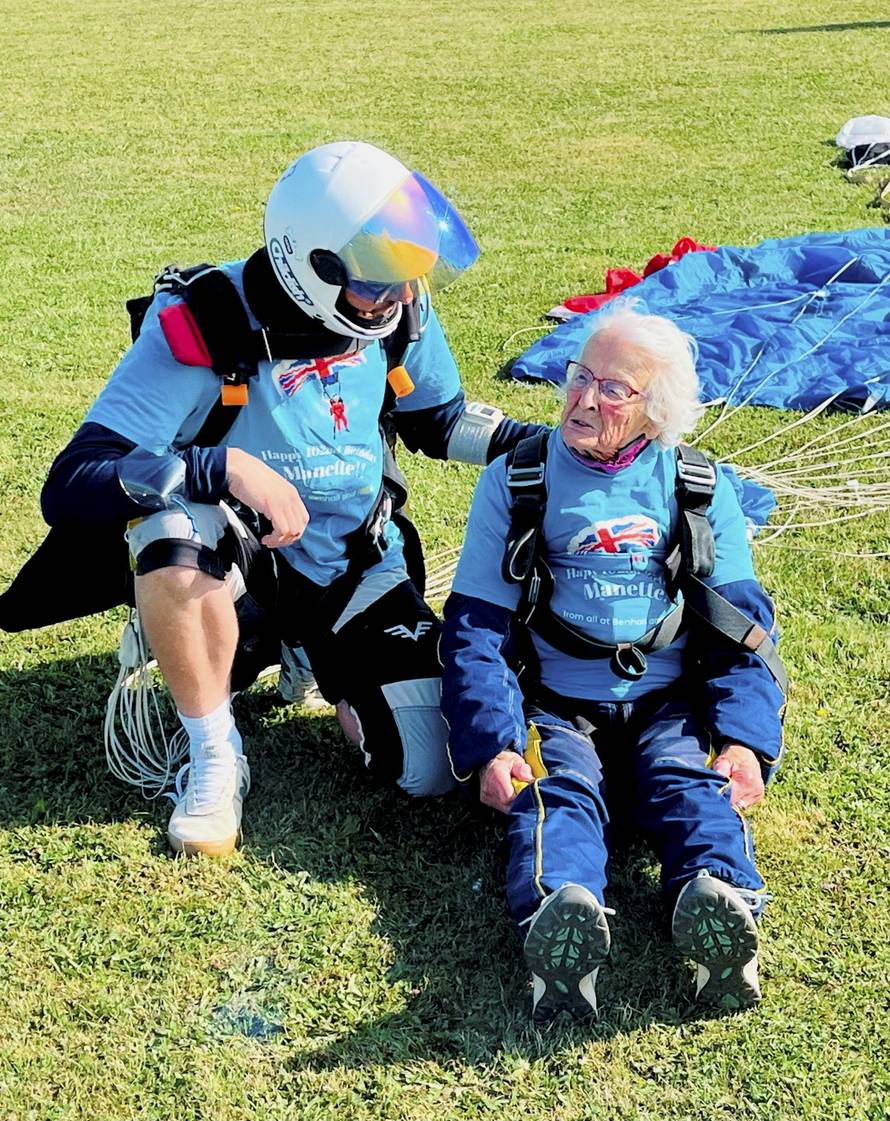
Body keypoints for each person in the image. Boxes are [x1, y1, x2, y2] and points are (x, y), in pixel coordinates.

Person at [2, 141, 543, 857]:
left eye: (408, 271)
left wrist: (553, 445)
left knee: (426, 763)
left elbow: (437, 421)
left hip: (352, 566)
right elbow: (73, 480)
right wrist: (221, 467)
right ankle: (214, 751)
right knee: (170, 527)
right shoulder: (205, 322)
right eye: (381, 277)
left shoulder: (398, 312)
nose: (403, 293)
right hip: (236, 570)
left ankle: (310, 653)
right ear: (313, 264)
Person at [440, 304, 787, 1021]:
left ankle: (720, 906)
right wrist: (492, 744)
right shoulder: (520, 479)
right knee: (556, 795)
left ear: (655, 412)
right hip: (557, 707)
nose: (583, 398)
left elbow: (738, 628)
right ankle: (560, 922)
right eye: (579, 375)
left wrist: (747, 741)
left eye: (613, 388)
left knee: (691, 788)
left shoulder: (697, 486)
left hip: (668, 706)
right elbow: (476, 626)